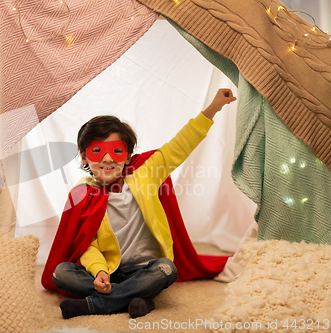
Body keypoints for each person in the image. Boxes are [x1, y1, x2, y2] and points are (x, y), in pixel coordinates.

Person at [42, 89, 236, 319]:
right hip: (109, 270)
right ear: (84, 157)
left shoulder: (146, 174)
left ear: (127, 156)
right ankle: (137, 300)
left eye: (116, 151)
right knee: (61, 273)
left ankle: (94, 305)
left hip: (145, 269)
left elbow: (179, 147)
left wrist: (212, 108)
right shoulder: (81, 194)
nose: (107, 159)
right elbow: (87, 245)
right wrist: (99, 271)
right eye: (97, 151)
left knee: (166, 270)